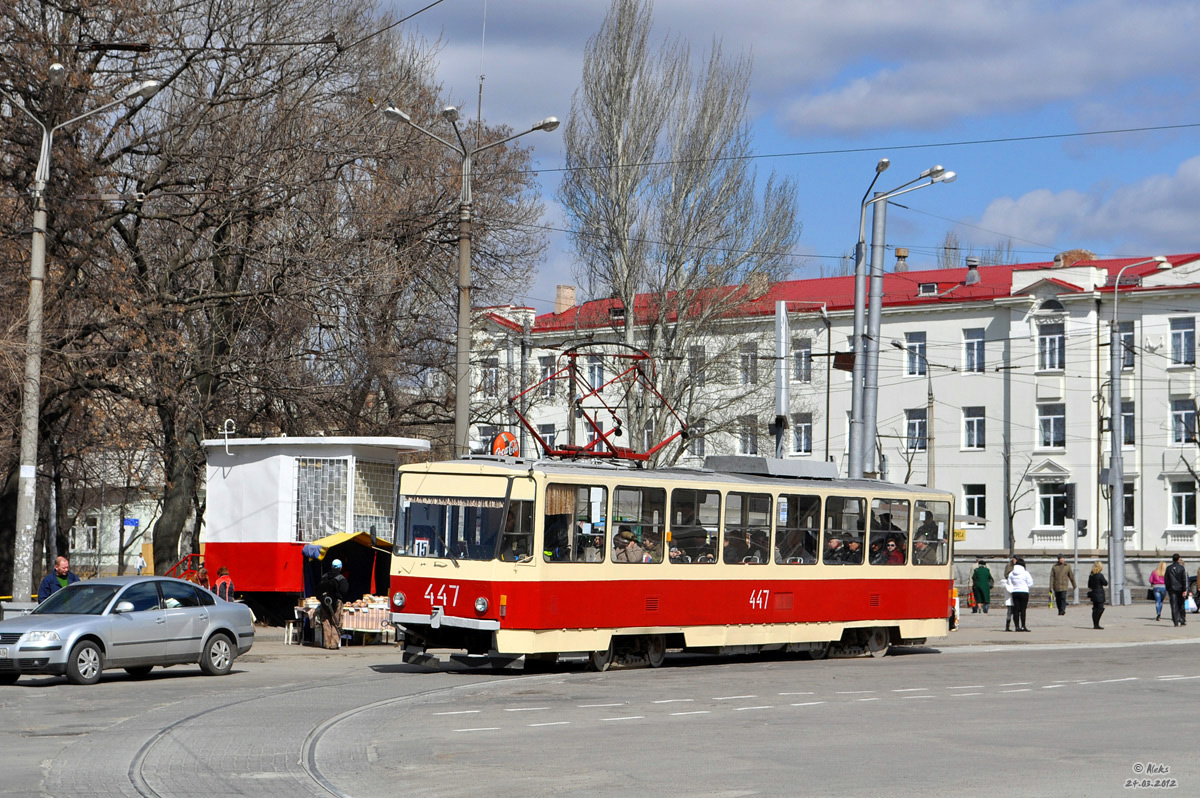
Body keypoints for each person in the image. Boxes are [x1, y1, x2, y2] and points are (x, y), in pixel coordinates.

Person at [317, 558, 349, 649]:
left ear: (331, 566)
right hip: (336, 602)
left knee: (326, 622)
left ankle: (327, 643)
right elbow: (345, 590)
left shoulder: (324, 576)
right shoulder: (341, 578)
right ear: (340, 567)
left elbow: (319, 589)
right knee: (336, 622)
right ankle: (334, 644)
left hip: (324, 602)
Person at [1004, 556, 1034, 632]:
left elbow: (1009, 582)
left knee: (1016, 610)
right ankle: (1023, 626)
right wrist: (1025, 586)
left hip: (1015, 592)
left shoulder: (1011, 573)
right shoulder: (1025, 573)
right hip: (1024, 592)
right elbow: (1030, 583)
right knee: (1023, 610)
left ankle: (1017, 627)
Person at [1164, 553, 1188, 627]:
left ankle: (1175, 621)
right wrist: (1184, 589)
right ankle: (1182, 620)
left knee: (1174, 605)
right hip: (1180, 588)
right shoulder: (1181, 568)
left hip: (1172, 589)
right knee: (1181, 604)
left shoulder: (1169, 568)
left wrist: (1168, 588)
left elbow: (1166, 579)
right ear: (1178, 559)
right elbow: (1184, 579)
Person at [1087, 561, 1108, 629]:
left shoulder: (1091, 575)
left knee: (1095, 609)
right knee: (1100, 608)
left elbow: (1089, 585)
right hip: (1099, 593)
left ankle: (1095, 624)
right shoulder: (1100, 575)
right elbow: (1105, 583)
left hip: (1093, 593)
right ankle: (1097, 624)